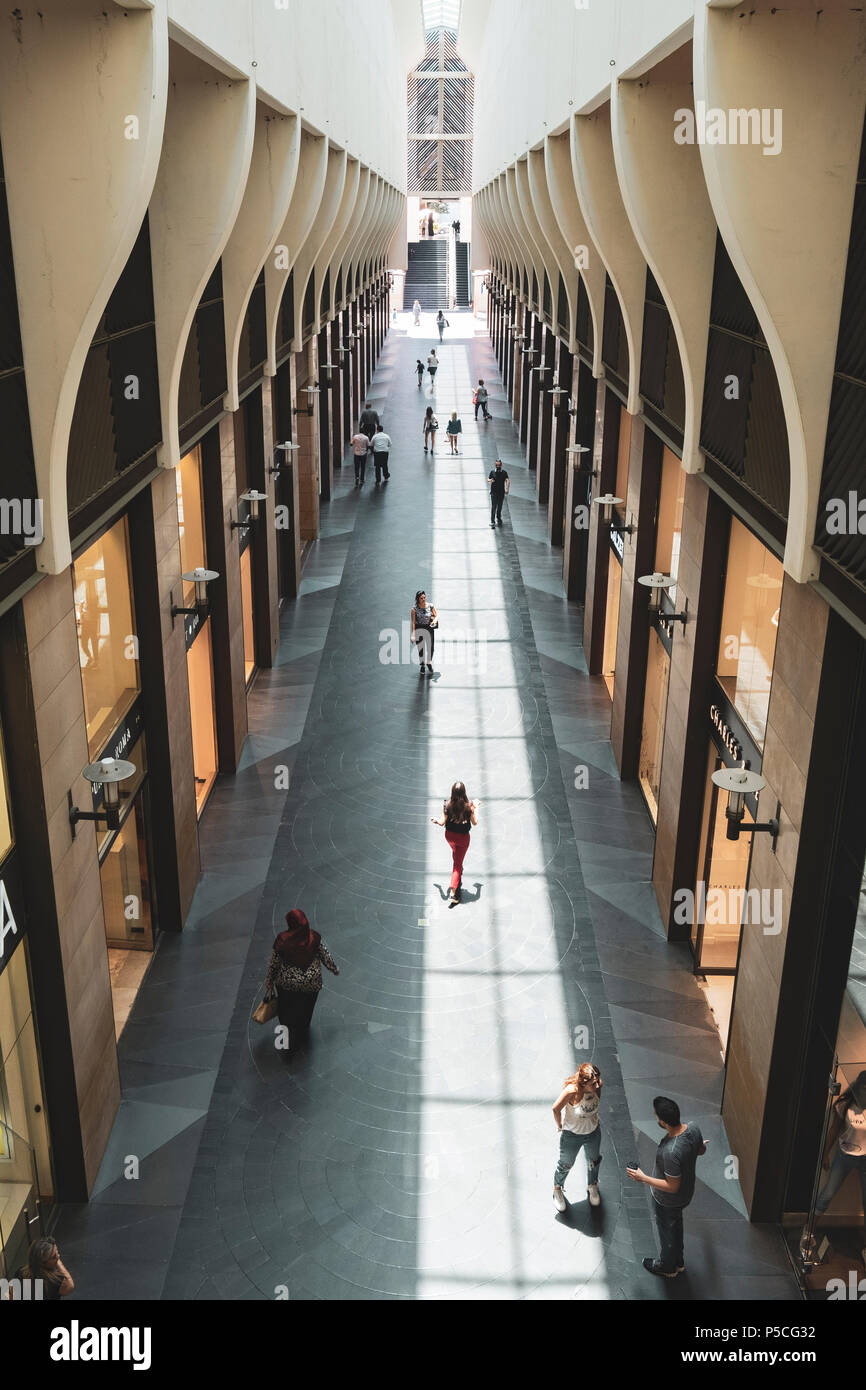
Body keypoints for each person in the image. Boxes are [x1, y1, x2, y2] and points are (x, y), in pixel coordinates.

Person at [627, 1095, 706, 1278]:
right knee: (675, 1225)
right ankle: (678, 1262)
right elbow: (701, 1149)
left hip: (668, 1199)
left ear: (663, 1122)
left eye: (656, 1116)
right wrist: (696, 1146)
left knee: (666, 1230)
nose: (656, 1118)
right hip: (687, 1192)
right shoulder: (693, 1128)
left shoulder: (671, 1151)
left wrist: (643, 1178)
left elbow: (671, 1186)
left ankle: (667, 1266)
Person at [264, 909, 339, 1053]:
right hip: (311, 983)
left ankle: (286, 1040)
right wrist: (334, 969)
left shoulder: (282, 941)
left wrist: (269, 981)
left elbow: (274, 964)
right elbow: (325, 955)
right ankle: (303, 1028)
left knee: (285, 1010)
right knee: (307, 1007)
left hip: (287, 984)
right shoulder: (314, 937)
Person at [813, 1070, 866, 1248]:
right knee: (827, 1193)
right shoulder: (846, 1104)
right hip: (845, 1155)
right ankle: (809, 1230)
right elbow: (834, 1130)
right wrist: (825, 1153)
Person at [552, 1063, 603, 1212]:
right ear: (583, 1083)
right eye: (593, 1083)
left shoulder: (599, 1086)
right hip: (572, 1135)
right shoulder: (571, 1091)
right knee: (565, 1164)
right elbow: (556, 1108)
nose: (597, 1084)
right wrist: (560, 1125)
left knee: (594, 1160)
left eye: (597, 1081)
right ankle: (557, 1189)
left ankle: (592, 1185)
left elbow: (595, 1104)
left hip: (593, 1132)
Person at [430, 781, 480, 905]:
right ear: (464, 793)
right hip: (463, 838)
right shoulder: (469, 807)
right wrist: (476, 807)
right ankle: (453, 892)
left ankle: (456, 877)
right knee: (457, 865)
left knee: (456, 855)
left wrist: (436, 821)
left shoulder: (446, 805)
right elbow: (475, 823)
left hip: (450, 836)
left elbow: (442, 822)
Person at [411, 588, 437, 675]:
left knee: (431, 647)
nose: (423, 599)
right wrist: (413, 634)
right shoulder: (414, 609)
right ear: (418, 598)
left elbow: (436, 616)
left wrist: (433, 621)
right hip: (419, 628)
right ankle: (422, 666)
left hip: (429, 628)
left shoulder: (430, 606)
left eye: (424, 597)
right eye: (421, 598)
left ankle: (429, 662)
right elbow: (413, 622)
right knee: (421, 648)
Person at [488, 458, 510, 527]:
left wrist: (507, 488)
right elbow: (488, 479)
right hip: (494, 493)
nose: (498, 466)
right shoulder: (492, 472)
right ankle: (492, 521)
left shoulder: (504, 473)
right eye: (497, 465)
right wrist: (490, 480)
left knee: (499, 506)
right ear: (495, 465)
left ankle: (498, 518)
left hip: (501, 493)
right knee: (494, 506)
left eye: (499, 465)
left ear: (501, 465)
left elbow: (507, 480)